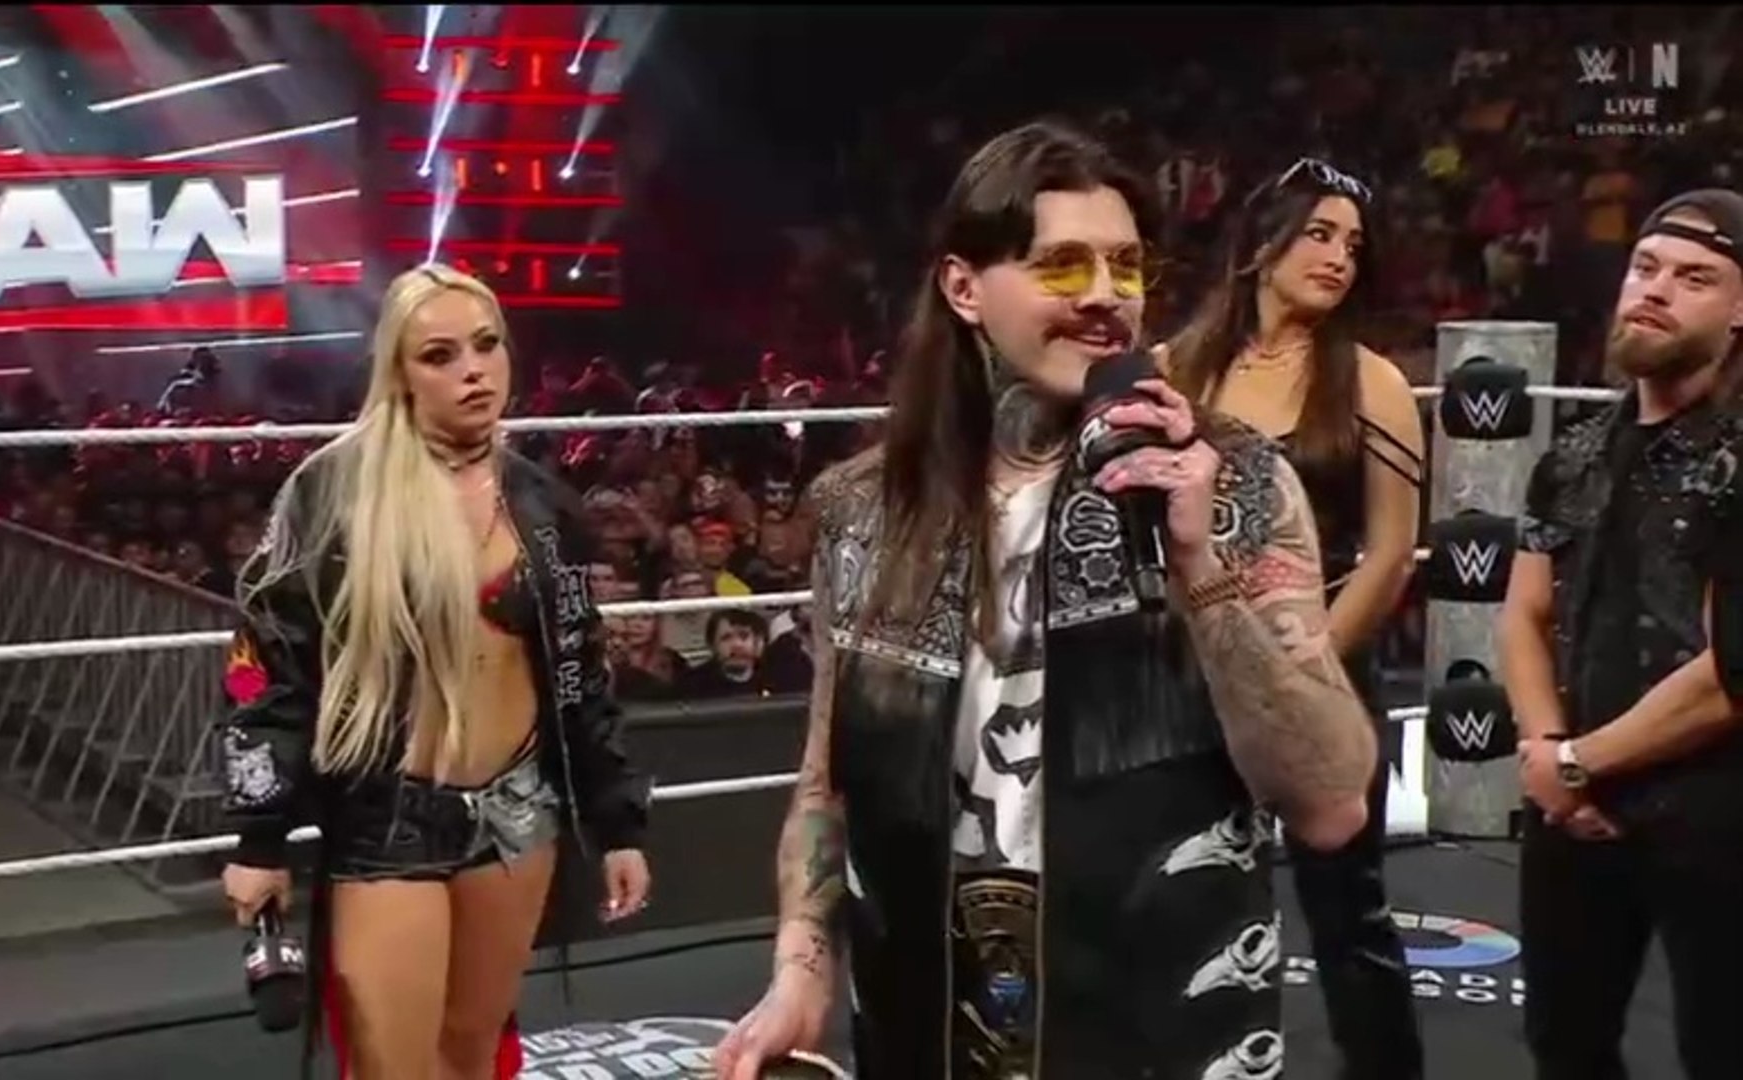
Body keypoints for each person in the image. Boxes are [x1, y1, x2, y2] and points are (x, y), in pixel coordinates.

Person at [713, 120, 1378, 1080]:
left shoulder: (1232, 479)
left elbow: (1332, 805)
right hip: (924, 1030)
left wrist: (1202, 570)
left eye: (1125, 266)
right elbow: (828, 782)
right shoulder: (865, 510)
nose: (1106, 295)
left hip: (1161, 1038)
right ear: (964, 288)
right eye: (1063, 266)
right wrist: (800, 972)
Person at [216, 264, 654, 1079]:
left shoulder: (541, 503)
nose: (473, 371)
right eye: (441, 355)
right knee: (395, 1066)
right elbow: (266, 670)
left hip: (518, 811)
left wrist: (616, 821)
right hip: (391, 817)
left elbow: (579, 672)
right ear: (400, 372)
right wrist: (259, 837)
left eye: (487, 346)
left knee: (474, 1053)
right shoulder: (334, 493)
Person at [1164, 158, 1426, 1080]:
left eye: (1354, 243)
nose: (1340, 256)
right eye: (1319, 233)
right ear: (1259, 244)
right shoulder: (1176, 370)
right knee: (1188, 905)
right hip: (1189, 678)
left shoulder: (1371, 382)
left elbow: (1391, 553)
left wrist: (1297, 671)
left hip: (1322, 672)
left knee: (1347, 912)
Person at [1497, 189, 1743, 1080]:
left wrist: (1575, 764)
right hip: (1575, 807)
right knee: (1565, 1046)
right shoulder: (1576, 449)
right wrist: (1548, 753)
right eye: (1645, 268)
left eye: (1695, 278)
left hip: (1716, 813)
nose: (1656, 290)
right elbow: (1525, 613)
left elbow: (1730, 674)